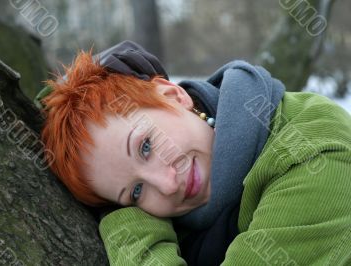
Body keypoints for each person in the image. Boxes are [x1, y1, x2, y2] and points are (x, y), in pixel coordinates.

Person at [38, 41, 351, 265]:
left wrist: (132, 239)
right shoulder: (186, 227)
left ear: (174, 96)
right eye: (135, 192)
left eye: (146, 146)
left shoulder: (313, 146)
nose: (167, 184)